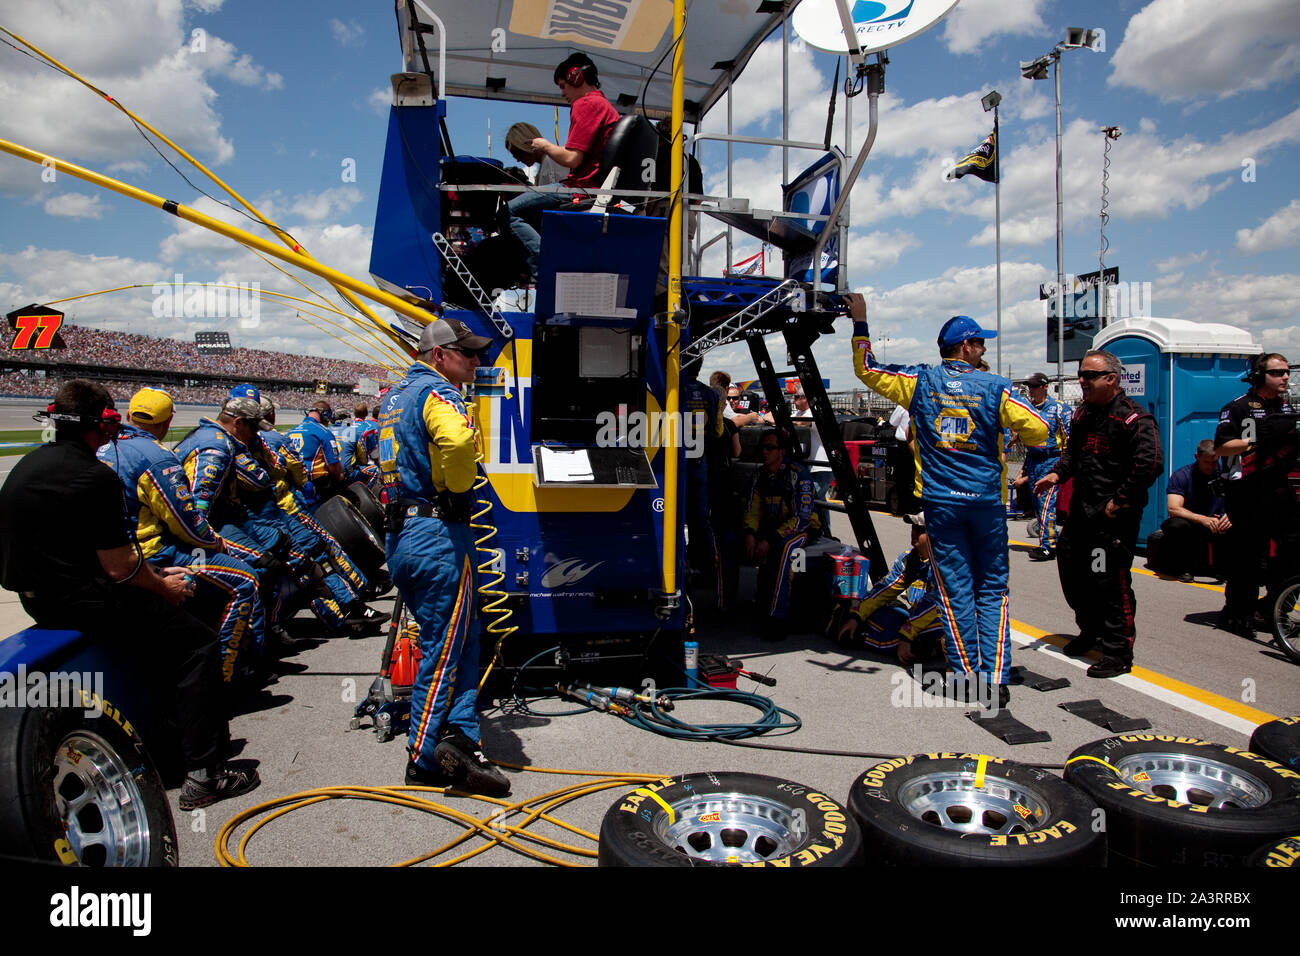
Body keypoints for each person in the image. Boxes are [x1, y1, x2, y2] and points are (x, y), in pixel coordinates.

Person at [0, 380, 259, 809]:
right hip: (88, 600)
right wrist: (164, 585)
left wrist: (151, 573)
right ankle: (205, 774)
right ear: (104, 423)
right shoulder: (94, 477)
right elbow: (120, 567)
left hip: (39, 598)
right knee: (198, 644)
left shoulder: (28, 465)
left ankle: (165, 741)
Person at [851, 296, 1047, 705]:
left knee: (956, 590)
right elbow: (1041, 431)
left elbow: (866, 369)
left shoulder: (920, 381)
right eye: (979, 343)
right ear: (965, 347)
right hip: (986, 503)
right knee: (991, 590)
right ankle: (993, 678)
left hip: (941, 503)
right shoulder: (996, 387)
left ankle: (964, 675)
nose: (984, 350)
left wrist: (861, 323)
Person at [379, 317, 510, 796]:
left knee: (464, 637)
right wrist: (458, 491)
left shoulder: (392, 398)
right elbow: (456, 442)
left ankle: (460, 737)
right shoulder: (440, 394)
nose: (477, 361)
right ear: (439, 355)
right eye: (468, 353)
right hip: (436, 535)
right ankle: (423, 756)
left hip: (404, 535)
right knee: (443, 649)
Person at [99, 387, 266, 682]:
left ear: (127, 415)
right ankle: (225, 678)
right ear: (166, 423)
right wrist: (217, 544)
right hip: (151, 554)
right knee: (246, 580)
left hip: (106, 554)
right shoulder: (156, 457)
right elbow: (187, 521)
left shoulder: (102, 446)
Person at [1034, 350, 1162, 678]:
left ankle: (1118, 651)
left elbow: (1150, 464)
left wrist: (1120, 499)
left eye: (1090, 375)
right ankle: (1090, 631)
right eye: (1081, 373)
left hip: (1113, 519)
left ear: (1112, 379)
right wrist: (1056, 475)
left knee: (1109, 580)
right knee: (1074, 571)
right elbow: (1071, 455)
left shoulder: (1134, 417)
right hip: (1082, 512)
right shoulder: (1083, 414)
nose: (1083, 380)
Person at [503, 53, 620, 278]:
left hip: (580, 189)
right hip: (592, 189)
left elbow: (572, 159)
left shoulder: (586, 104)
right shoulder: (603, 105)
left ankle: (548, 260)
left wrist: (544, 145)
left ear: (577, 78)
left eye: (564, 86)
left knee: (508, 212)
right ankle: (543, 266)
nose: (562, 93)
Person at [1213, 353, 1298, 637]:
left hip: (1279, 487)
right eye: (1278, 372)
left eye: (1287, 372)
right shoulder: (1238, 408)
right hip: (1247, 491)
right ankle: (1237, 613)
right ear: (1261, 376)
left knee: (1293, 550)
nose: (1285, 377)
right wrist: (1254, 440)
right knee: (1247, 557)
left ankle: (1273, 605)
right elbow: (1221, 448)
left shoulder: (1286, 408)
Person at [742, 428, 821, 640]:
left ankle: (777, 617)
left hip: (803, 529)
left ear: (782, 451)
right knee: (731, 540)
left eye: (770, 448)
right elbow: (752, 510)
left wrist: (770, 539)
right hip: (773, 529)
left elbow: (803, 518)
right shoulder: (760, 475)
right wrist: (750, 533)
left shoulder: (799, 475)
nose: (764, 452)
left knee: (785, 548)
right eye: (762, 448)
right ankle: (728, 608)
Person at [835, 513, 942, 665]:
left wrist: (906, 635)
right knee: (882, 614)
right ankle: (921, 646)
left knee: (897, 637)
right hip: (918, 615)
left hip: (948, 618)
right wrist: (856, 616)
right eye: (913, 527)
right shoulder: (910, 558)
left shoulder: (946, 565)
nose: (914, 532)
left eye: (920, 529)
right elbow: (885, 589)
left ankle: (864, 639)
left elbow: (935, 604)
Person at [1012, 372, 1071, 561]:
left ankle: (1049, 546)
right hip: (1033, 459)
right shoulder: (1028, 409)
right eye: (1029, 386)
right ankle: (1045, 540)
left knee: (1046, 502)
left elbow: (1071, 437)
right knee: (1037, 502)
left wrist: (1064, 464)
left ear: (1045, 387)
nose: (1031, 390)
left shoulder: (1059, 408)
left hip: (1051, 459)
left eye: (1035, 386)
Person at [1154, 440, 1230, 582]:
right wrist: (1203, 519)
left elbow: (1238, 501)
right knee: (1175, 525)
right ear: (1197, 457)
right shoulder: (1182, 475)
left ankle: (1225, 569)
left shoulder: (1225, 476)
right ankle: (1185, 568)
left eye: (1214, 462)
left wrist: (1230, 515)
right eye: (1206, 462)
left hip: (1216, 523)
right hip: (1192, 524)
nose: (1210, 466)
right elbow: (1172, 508)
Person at [791, 390, 833, 528]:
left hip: (821, 466)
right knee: (819, 501)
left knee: (810, 499)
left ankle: (818, 531)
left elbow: (801, 423)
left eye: (797, 397)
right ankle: (826, 532)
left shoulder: (813, 413)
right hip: (808, 465)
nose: (793, 400)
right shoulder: (798, 413)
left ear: (806, 398)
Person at [505, 121, 568, 186]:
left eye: (517, 154)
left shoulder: (552, 161)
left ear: (527, 145)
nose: (518, 160)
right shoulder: (547, 164)